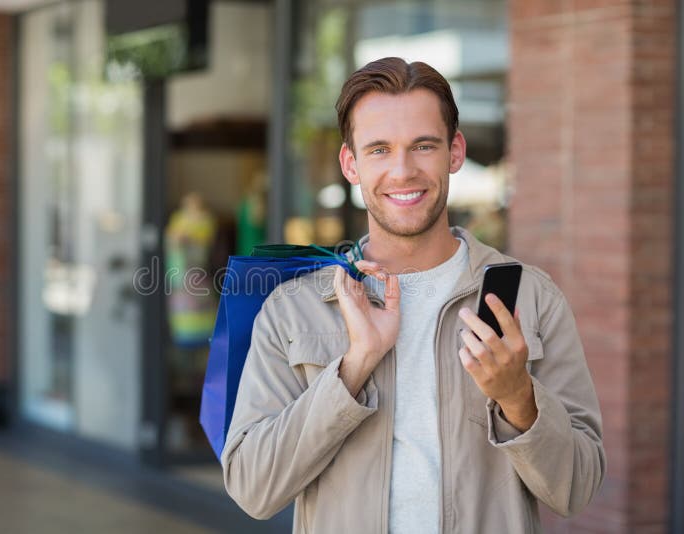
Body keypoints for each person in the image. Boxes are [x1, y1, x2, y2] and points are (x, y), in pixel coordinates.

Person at [221, 57, 605, 533]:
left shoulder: (532, 299)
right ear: (350, 164)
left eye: (423, 145)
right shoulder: (293, 310)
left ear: (455, 152)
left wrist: (519, 400)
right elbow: (253, 489)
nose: (402, 171)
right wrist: (353, 366)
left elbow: (579, 488)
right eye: (379, 149)